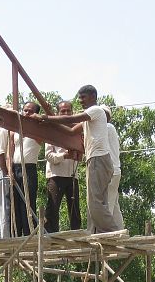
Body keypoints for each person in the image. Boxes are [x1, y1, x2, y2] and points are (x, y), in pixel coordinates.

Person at [39, 85, 118, 233]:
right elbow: (69, 130)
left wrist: (47, 118)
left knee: (94, 203)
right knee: (99, 202)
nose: (80, 101)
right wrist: (50, 120)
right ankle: (105, 232)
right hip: (97, 160)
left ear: (93, 97)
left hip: (98, 159)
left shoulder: (95, 110)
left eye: (83, 97)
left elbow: (71, 119)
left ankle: (112, 232)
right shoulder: (89, 119)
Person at [44, 101, 81, 232]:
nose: (66, 114)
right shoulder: (51, 131)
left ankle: (77, 237)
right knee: (52, 209)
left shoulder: (77, 130)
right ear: (58, 113)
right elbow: (48, 156)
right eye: (63, 111)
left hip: (72, 175)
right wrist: (64, 155)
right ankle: (51, 239)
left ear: (72, 112)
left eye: (68, 111)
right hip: (55, 175)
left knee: (75, 210)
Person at [11, 102, 42, 236]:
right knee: (15, 205)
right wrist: (9, 170)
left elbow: (41, 136)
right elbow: (10, 152)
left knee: (28, 204)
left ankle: (30, 235)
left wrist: (33, 121)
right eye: (24, 110)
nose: (26, 113)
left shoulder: (39, 129)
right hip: (15, 168)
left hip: (28, 169)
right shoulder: (15, 130)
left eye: (30, 111)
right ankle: (16, 236)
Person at [100, 104, 124, 230]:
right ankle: (120, 230)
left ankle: (106, 233)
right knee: (114, 205)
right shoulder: (111, 128)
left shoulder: (106, 127)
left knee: (106, 205)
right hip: (115, 170)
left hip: (110, 171)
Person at [0, 122, 12, 239]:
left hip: (3, 169)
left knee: (0, 204)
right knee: (4, 204)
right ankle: (4, 236)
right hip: (2, 168)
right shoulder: (2, 131)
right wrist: (6, 173)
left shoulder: (7, 131)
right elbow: (0, 154)